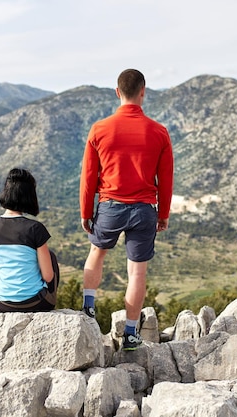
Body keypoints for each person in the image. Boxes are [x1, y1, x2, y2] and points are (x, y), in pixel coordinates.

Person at [79, 69, 174, 350]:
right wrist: (163, 213)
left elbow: (88, 176)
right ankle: (131, 334)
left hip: (109, 205)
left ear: (117, 92)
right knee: (137, 274)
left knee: (97, 252)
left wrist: (86, 211)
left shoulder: (99, 129)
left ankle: (88, 308)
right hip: (145, 208)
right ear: (143, 92)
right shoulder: (159, 132)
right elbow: (165, 179)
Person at [0, 168, 60, 313]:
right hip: (36, 304)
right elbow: (48, 276)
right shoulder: (35, 229)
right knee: (51, 256)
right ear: (29, 196)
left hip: (2, 305)